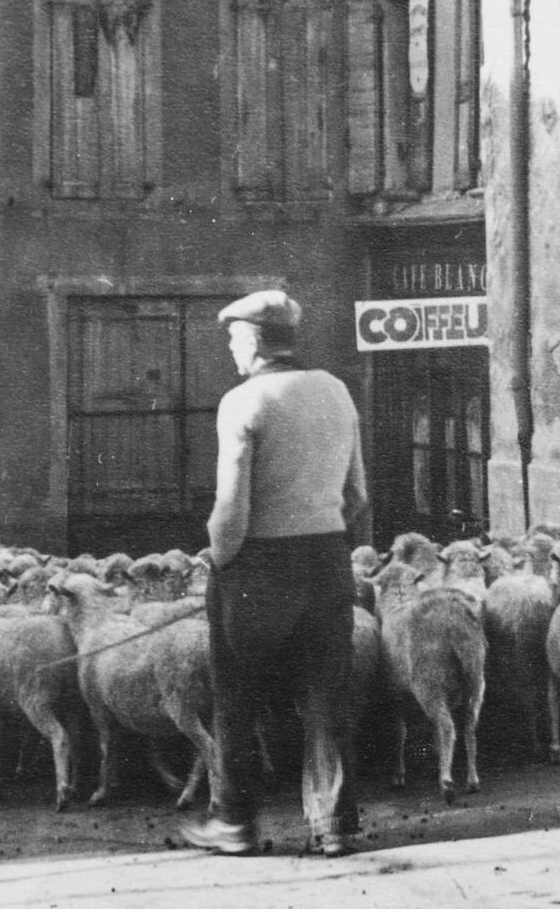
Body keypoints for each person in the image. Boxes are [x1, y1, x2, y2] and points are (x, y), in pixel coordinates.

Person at [180, 289, 368, 858]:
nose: (231, 349)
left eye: (235, 338)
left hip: (259, 566)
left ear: (255, 341)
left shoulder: (242, 402)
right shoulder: (336, 391)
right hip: (328, 559)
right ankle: (334, 824)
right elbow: (357, 496)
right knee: (326, 695)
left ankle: (234, 823)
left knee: (236, 694)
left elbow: (230, 511)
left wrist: (220, 559)